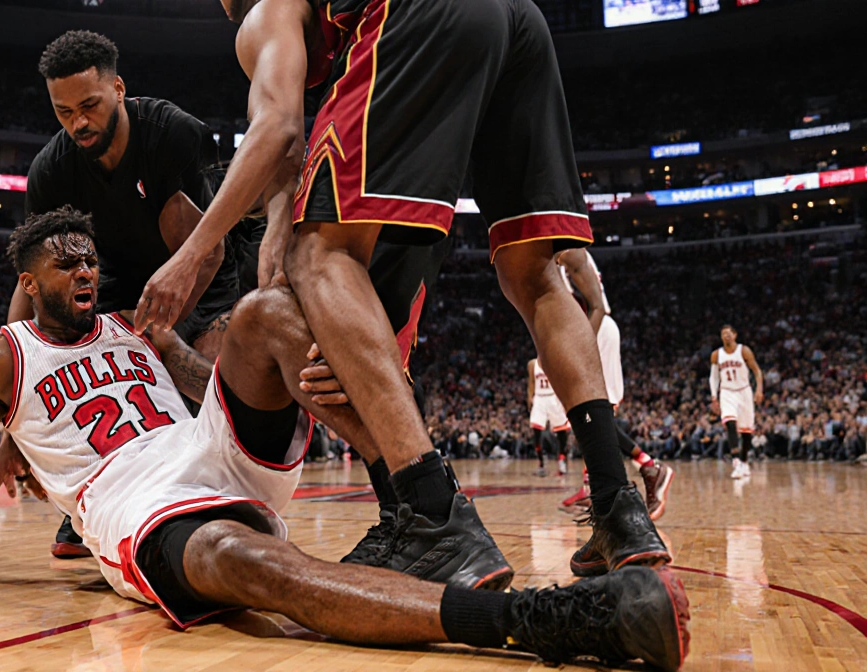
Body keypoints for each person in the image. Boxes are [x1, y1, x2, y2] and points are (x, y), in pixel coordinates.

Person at [0, 207, 691, 672]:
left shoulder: (130, 325)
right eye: (65, 264)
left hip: (206, 448)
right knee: (250, 567)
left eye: (89, 259)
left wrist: (304, 381)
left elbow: (201, 376)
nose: (85, 271)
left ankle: (419, 509)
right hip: (130, 502)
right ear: (29, 280)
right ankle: (540, 621)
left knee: (263, 315)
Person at [132, 0, 668, 578]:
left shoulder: (262, 12)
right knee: (533, 275)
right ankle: (619, 510)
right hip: (522, 20)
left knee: (320, 257)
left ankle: (431, 518)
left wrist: (191, 256)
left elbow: (279, 129)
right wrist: (286, 222)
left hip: (419, 12)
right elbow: (291, 154)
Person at [8, 30, 243, 559]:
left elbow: (205, 252)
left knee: (198, 384)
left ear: (118, 87)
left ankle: (211, 499)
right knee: (82, 378)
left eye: (89, 105)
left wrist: (156, 341)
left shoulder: (172, 133)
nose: (78, 123)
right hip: (118, 286)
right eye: (64, 112)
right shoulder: (51, 170)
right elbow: (35, 281)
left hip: (199, 273)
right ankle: (88, 505)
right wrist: (12, 372)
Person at [557, 249, 674, 524]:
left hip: (594, 331)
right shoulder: (556, 255)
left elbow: (597, 305)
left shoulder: (567, 250)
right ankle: (593, 487)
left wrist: (582, 345)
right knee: (583, 416)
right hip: (587, 333)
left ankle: (649, 466)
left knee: (594, 413)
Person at [710, 325, 764, 480]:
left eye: (729, 333)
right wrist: (714, 397)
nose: (726, 336)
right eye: (723, 334)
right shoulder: (716, 355)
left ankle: (744, 461)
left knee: (747, 431)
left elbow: (757, 370)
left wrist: (759, 389)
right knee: (730, 423)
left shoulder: (744, 350)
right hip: (727, 391)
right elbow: (714, 377)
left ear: (735, 335)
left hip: (744, 391)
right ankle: (736, 461)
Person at [527, 358, 570, 478]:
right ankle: (541, 463)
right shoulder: (532, 364)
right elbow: (531, 382)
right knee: (536, 431)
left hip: (553, 397)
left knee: (562, 431)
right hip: (539, 398)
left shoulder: (555, 360)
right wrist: (530, 397)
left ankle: (562, 460)